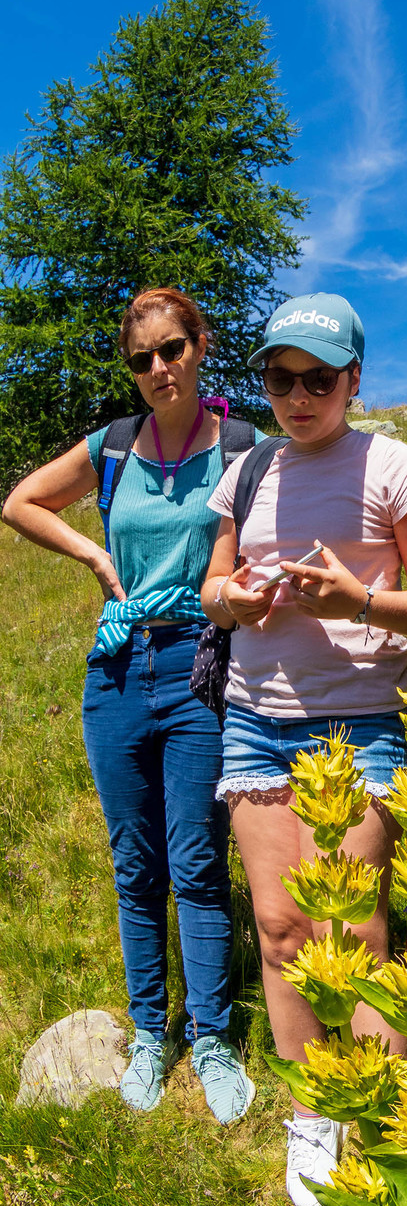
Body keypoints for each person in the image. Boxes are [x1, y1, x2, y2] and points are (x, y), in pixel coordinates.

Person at [201, 292, 407, 1206]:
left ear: (356, 379)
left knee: (351, 931)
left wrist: (354, 602)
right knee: (279, 931)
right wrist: (238, 600)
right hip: (255, 717)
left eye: (320, 378)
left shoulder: (394, 464)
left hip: (358, 722)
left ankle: (387, 1121)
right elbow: (213, 588)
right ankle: (315, 1119)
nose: (299, 394)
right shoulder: (247, 471)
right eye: (281, 377)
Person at [2, 287, 262, 1121]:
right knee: (133, 864)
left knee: (195, 860)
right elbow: (20, 502)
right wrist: (92, 555)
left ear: (199, 345)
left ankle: (212, 1034)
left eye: (172, 350)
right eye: (142, 358)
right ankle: (152, 1033)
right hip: (116, 668)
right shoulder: (114, 447)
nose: (158, 369)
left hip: (200, 667)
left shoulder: (245, 447)